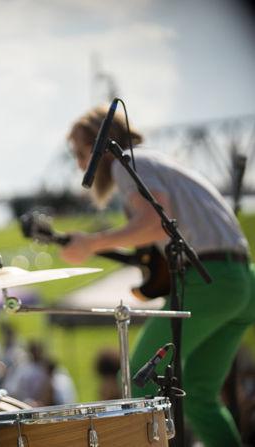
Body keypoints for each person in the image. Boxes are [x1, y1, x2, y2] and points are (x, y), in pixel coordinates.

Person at [60, 104, 255, 447]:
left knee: (137, 382)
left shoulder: (128, 164)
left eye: (79, 152)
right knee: (197, 394)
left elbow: (151, 222)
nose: (78, 163)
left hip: (207, 280)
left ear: (99, 145)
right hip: (240, 282)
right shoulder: (158, 162)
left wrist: (91, 243)